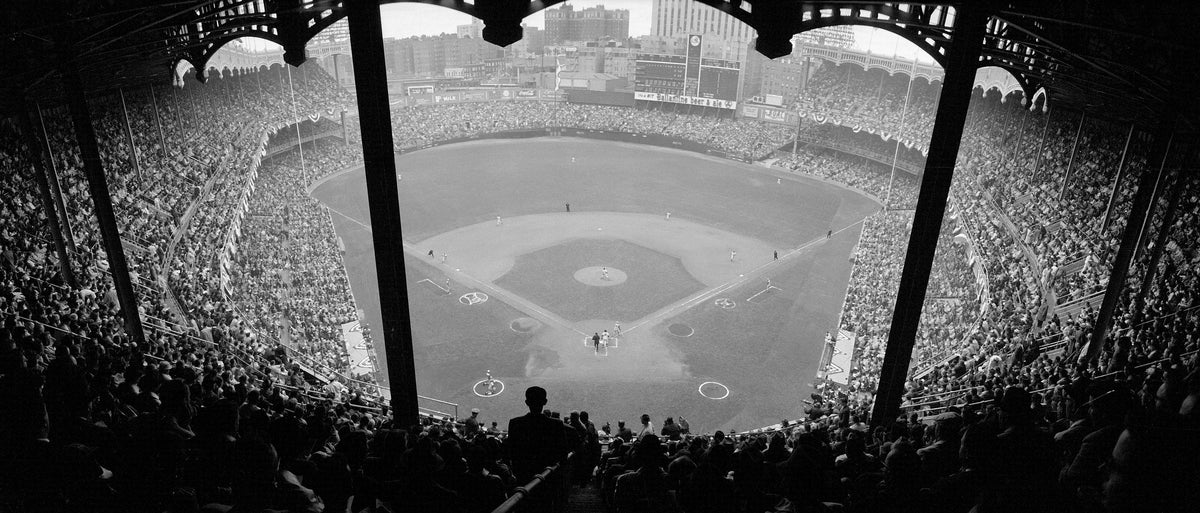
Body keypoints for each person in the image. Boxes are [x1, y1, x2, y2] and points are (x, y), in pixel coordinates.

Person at [506, 387, 570, 503]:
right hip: (548, 479)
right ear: (545, 402)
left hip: (523, 478)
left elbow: (510, 452)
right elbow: (563, 454)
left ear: (526, 402)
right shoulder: (556, 425)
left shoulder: (515, 424)